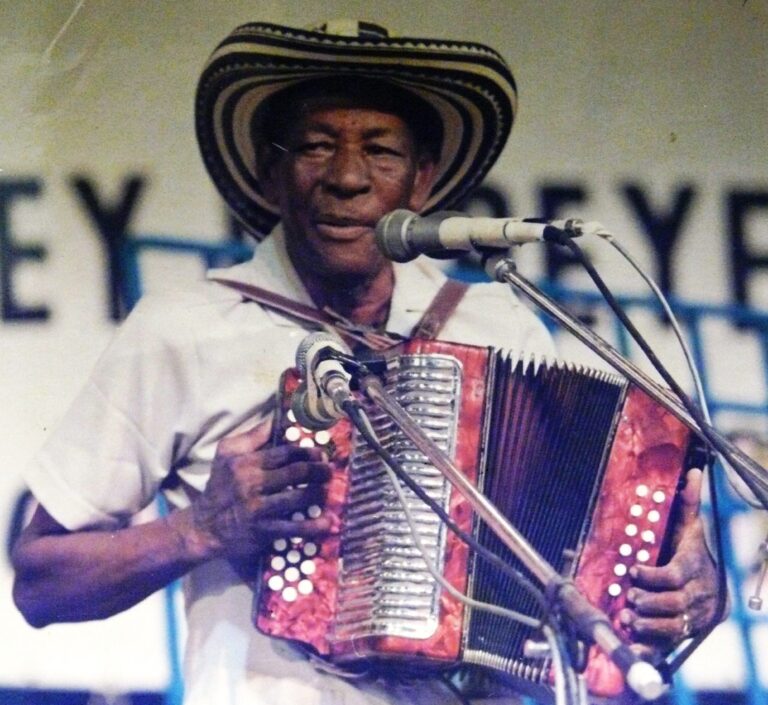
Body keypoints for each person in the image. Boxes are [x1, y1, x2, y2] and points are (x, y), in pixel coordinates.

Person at [12, 19, 719, 705]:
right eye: (317, 146)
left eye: (381, 150)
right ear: (270, 172)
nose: (347, 177)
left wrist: (687, 589)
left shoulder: (495, 322)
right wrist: (200, 529)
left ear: (421, 180)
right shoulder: (182, 329)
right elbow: (40, 582)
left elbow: (594, 550)